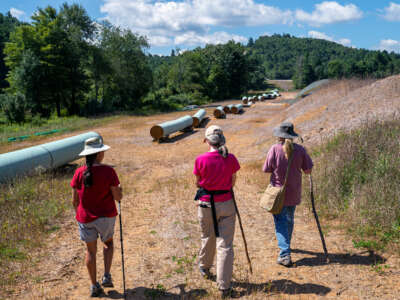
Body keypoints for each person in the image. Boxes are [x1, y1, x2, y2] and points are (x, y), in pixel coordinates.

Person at [70, 137, 122, 297]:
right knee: (108, 244)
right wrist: (120, 190)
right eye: (103, 151)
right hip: (105, 216)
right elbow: (117, 197)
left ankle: (94, 286)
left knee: (90, 252)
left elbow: (74, 200)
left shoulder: (79, 172)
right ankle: (106, 275)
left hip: (85, 218)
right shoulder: (108, 171)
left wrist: (79, 215)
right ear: (99, 153)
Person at [193, 125, 240, 298]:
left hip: (206, 204)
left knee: (207, 236)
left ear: (206, 140)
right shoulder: (231, 158)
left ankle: (205, 267)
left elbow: (198, 183)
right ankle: (224, 286)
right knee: (225, 245)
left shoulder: (200, 160)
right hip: (226, 202)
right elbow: (233, 181)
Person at [262, 122, 313, 267]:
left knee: (280, 221)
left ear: (280, 136)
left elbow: (266, 169)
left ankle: (285, 253)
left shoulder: (274, 149)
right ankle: (286, 246)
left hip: (278, 194)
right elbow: (308, 170)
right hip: (294, 192)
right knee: (289, 220)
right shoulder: (301, 150)